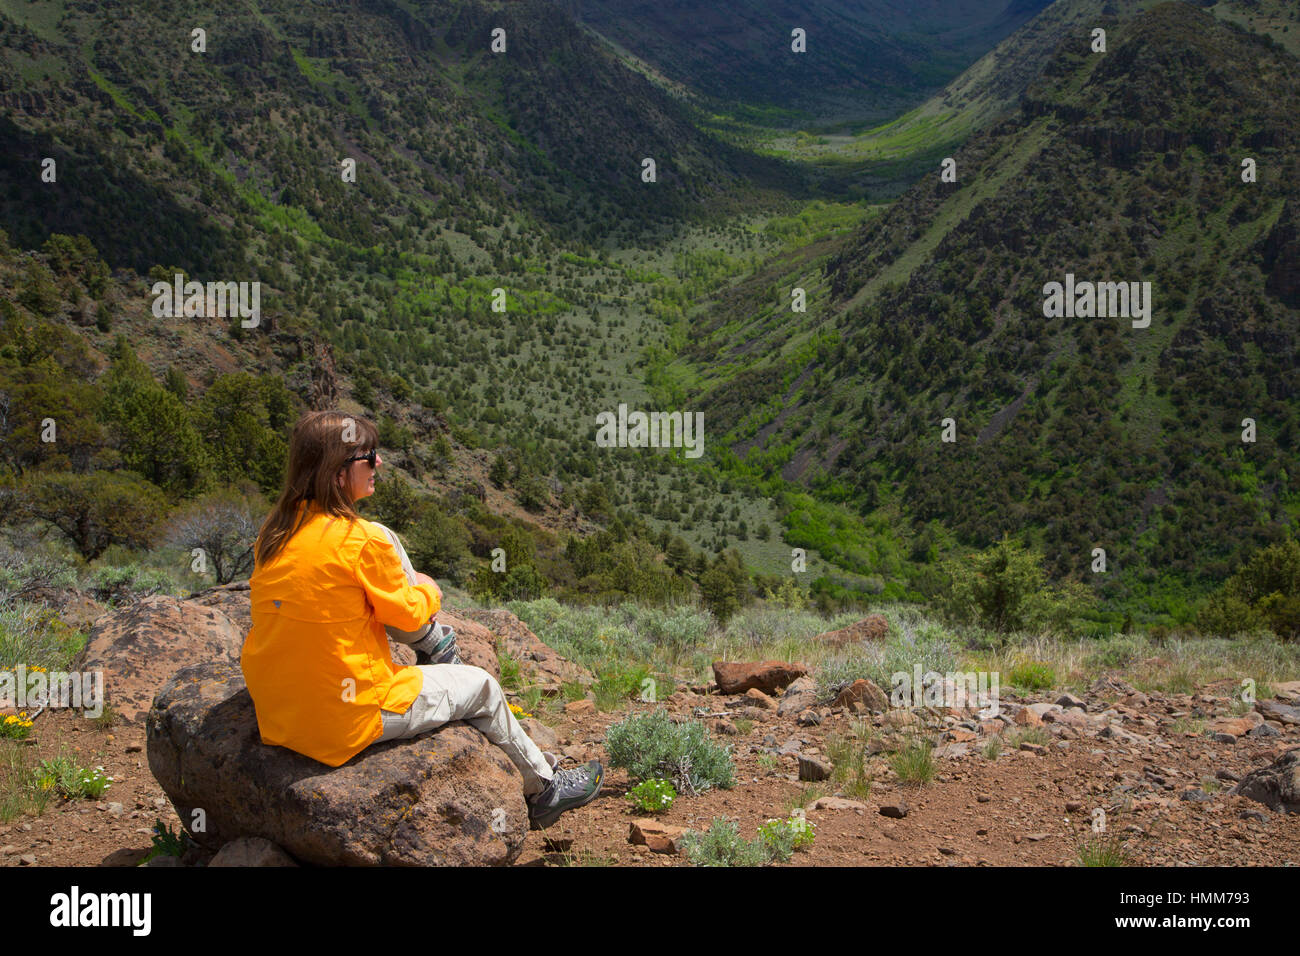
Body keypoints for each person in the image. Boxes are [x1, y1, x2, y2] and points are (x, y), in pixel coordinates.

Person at [240, 409, 601, 830]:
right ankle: (545, 790)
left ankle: (437, 654)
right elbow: (408, 615)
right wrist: (428, 589)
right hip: (344, 716)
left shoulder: (274, 531)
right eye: (368, 457)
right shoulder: (362, 539)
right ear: (338, 474)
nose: (379, 464)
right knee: (481, 686)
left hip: (278, 710)